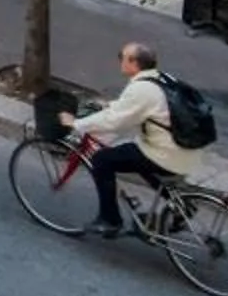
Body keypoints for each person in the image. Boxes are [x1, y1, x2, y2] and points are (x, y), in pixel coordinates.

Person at [65, 42, 193, 237]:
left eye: (121, 57)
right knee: (137, 156)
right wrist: (111, 105)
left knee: (102, 159)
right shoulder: (163, 79)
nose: (120, 61)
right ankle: (182, 206)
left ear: (133, 63)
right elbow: (139, 108)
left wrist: (76, 123)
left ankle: (110, 220)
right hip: (185, 148)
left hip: (166, 152)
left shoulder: (140, 88)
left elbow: (114, 121)